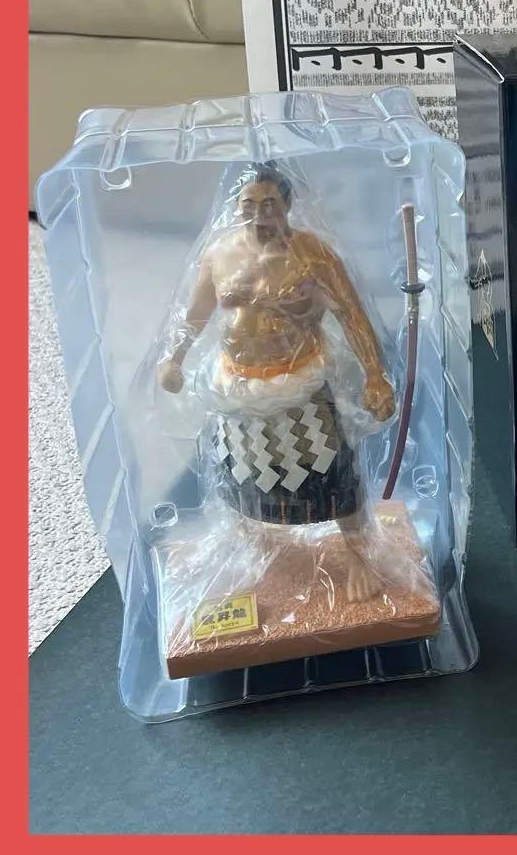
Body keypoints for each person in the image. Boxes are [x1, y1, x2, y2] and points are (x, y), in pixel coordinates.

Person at [157, 161, 395, 600]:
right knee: (240, 475)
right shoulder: (220, 253)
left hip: (302, 383)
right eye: (248, 205)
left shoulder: (312, 253)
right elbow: (195, 314)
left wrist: (375, 376)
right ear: (236, 206)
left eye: (269, 204)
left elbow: (352, 315)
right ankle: (251, 545)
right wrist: (174, 358)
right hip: (236, 387)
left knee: (332, 475)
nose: (259, 214)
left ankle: (357, 555)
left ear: (287, 204)